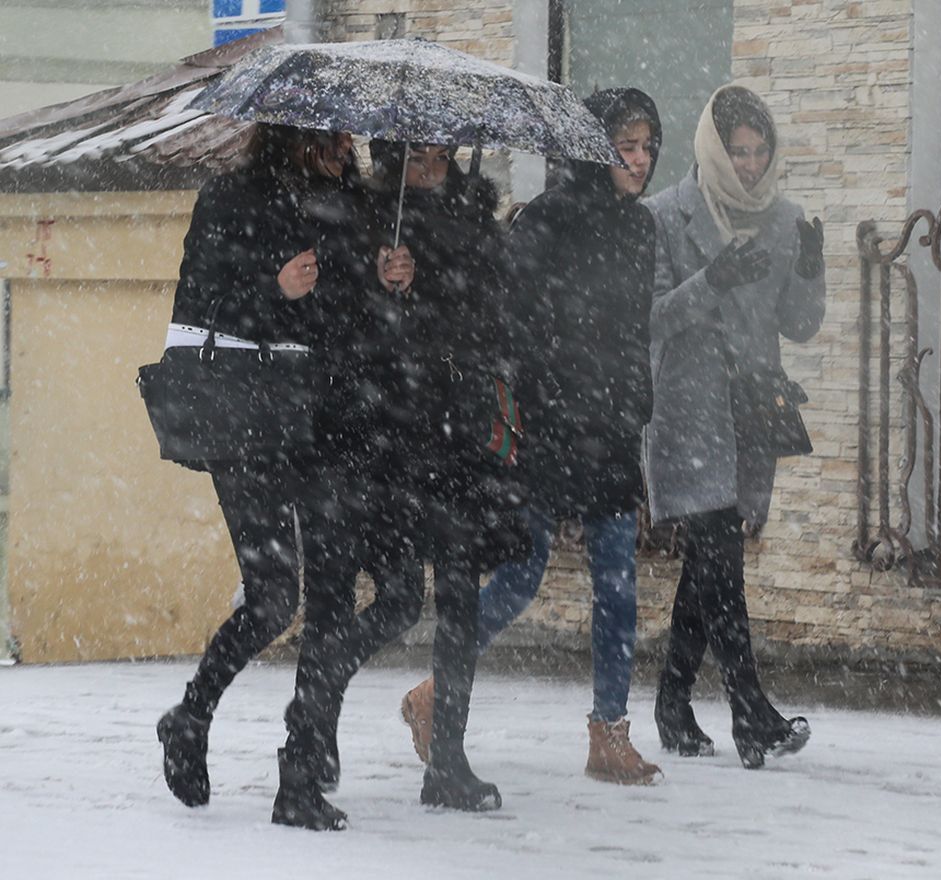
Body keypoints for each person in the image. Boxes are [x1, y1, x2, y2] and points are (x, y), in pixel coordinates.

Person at [399, 88, 664, 786]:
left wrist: (634, 406)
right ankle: (437, 691)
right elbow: (509, 325)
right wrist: (539, 402)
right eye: (624, 147)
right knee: (522, 575)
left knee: (617, 582)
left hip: (609, 426)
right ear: (593, 151)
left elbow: (634, 332)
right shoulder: (543, 223)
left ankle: (609, 733)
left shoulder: (640, 230)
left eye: (646, 147)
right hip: (548, 425)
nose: (638, 160)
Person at [155, 124, 388, 827]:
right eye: (327, 132)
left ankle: (300, 776)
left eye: (348, 133)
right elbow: (196, 310)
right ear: (289, 132)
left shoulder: (356, 203)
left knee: (332, 604)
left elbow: (356, 321)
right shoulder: (232, 197)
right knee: (273, 596)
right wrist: (273, 289)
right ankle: (190, 716)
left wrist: (386, 281)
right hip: (250, 420)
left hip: (328, 423)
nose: (342, 144)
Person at [644, 84, 826, 769]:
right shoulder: (665, 216)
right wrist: (710, 282)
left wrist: (811, 271)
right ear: (713, 151)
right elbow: (649, 319)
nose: (750, 166)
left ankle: (671, 702)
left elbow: (800, 324)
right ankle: (752, 713)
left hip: (751, 411)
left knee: (708, 563)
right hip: (689, 413)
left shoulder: (784, 220)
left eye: (760, 153)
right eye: (738, 153)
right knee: (719, 555)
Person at [343, 139, 524, 812]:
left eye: (442, 155)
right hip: (388, 436)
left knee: (460, 596)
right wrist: (385, 286)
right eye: (417, 156)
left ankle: (447, 758)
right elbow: (349, 329)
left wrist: (436, 292)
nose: (431, 168)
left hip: (456, 436)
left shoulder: (476, 220)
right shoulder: (367, 220)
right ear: (393, 158)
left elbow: (494, 318)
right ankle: (314, 714)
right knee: (394, 600)